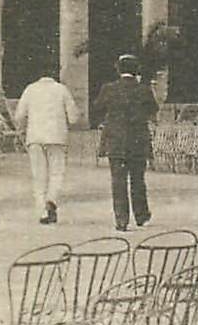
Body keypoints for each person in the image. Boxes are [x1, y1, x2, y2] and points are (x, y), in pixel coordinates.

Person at [94, 53, 158, 232]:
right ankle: (141, 215)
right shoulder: (144, 89)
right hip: (138, 141)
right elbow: (153, 109)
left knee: (118, 180)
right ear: (136, 70)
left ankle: (121, 219)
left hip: (116, 142)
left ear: (118, 70)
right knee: (138, 179)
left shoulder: (109, 89)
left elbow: (98, 107)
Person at [13, 62, 80, 224]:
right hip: (57, 137)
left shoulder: (30, 89)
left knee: (38, 176)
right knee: (57, 173)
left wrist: (22, 129)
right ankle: (51, 200)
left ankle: (42, 211)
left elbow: (19, 116)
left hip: (35, 137)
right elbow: (73, 118)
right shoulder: (62, 90)